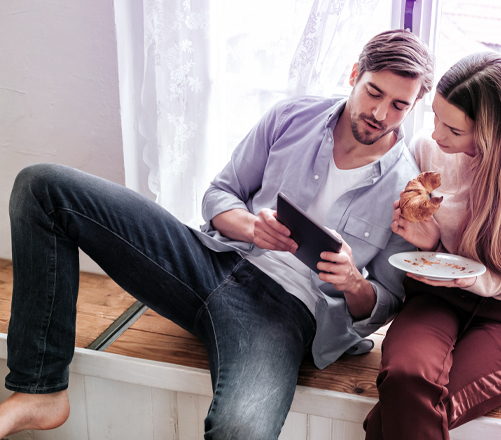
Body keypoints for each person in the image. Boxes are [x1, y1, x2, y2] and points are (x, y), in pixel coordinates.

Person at [0, 29, 434, 439]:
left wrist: (353, 282)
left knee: (240, 430)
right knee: (43, 186)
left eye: (399, 106)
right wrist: (251, 226)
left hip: (283, 315)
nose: (380, 114)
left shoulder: (405, 189)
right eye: (374, 93)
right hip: (210, 260)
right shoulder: (291, 116)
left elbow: (385, 302)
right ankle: (40, 389)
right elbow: (220, 195)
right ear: (355, 74)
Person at [363, 52, 501, 439]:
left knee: (403, 413)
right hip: (437, 297)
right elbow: (425, 245)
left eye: (453, 129)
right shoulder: (429, 151)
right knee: (403, 378)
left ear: (492, 131)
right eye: (435, 117)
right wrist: (427, 241)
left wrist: (482, 282)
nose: (435, 135)